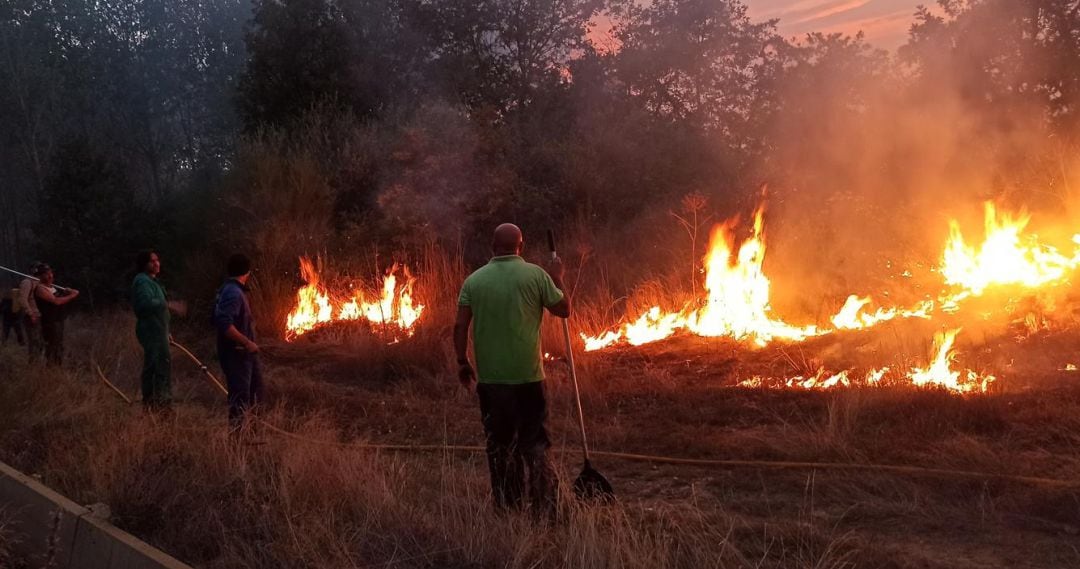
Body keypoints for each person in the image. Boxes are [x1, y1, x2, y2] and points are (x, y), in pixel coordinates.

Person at [453, 223, 570, 515]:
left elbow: (459, 326)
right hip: (530, 378)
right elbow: (564, 309)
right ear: (522, 245)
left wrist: (462, 361)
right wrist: (558, 278)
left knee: (500, 445)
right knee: (536, 443)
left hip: (492, 381)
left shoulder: (474, 281)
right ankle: (544, 508)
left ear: (493, 246)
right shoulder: (536, 275)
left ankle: (508, 506)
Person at [131, 250, 187, 410]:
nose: (156, 263)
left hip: (159, 331)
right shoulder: (142, 281)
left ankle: (158, 403)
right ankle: (158, 405)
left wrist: (166, 331)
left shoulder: (152, 281)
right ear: (144, 264)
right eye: (152, 261)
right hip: (151, 332)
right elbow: (144, 304)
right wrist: (168, 304)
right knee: (157, 367)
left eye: (157, 260)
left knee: (161, 364)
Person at [212, 254, 263, 431]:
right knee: (240, 398)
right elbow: (225, 324)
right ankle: (237, 441)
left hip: (245, 354)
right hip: (237, 354)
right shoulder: (233, 293)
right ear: (247, 272)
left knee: (254, 393)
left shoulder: (231, 290)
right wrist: (247, 342)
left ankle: (252, 434)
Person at [32, 264, 79, 365]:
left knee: (59, 346)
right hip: (50, 323)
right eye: (46, 274)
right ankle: (51, 369)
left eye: (51, 273)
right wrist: (72, 295)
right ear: (39, 276)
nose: (50, 276)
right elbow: (56, 302)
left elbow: (60, 299)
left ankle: (57, 367)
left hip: (58, 320)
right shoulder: (40, 289)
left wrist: (67, 293)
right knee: (52, 347)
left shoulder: (52, 287)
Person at [18, 264, 43, 361]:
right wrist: (30, 313)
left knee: (39, 341)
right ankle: (33, 363)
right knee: (34, 340)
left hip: (40, 315)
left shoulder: (38, 281)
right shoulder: (27, 282)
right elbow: (22, 299)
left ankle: (38, 361)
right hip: (32, 316)